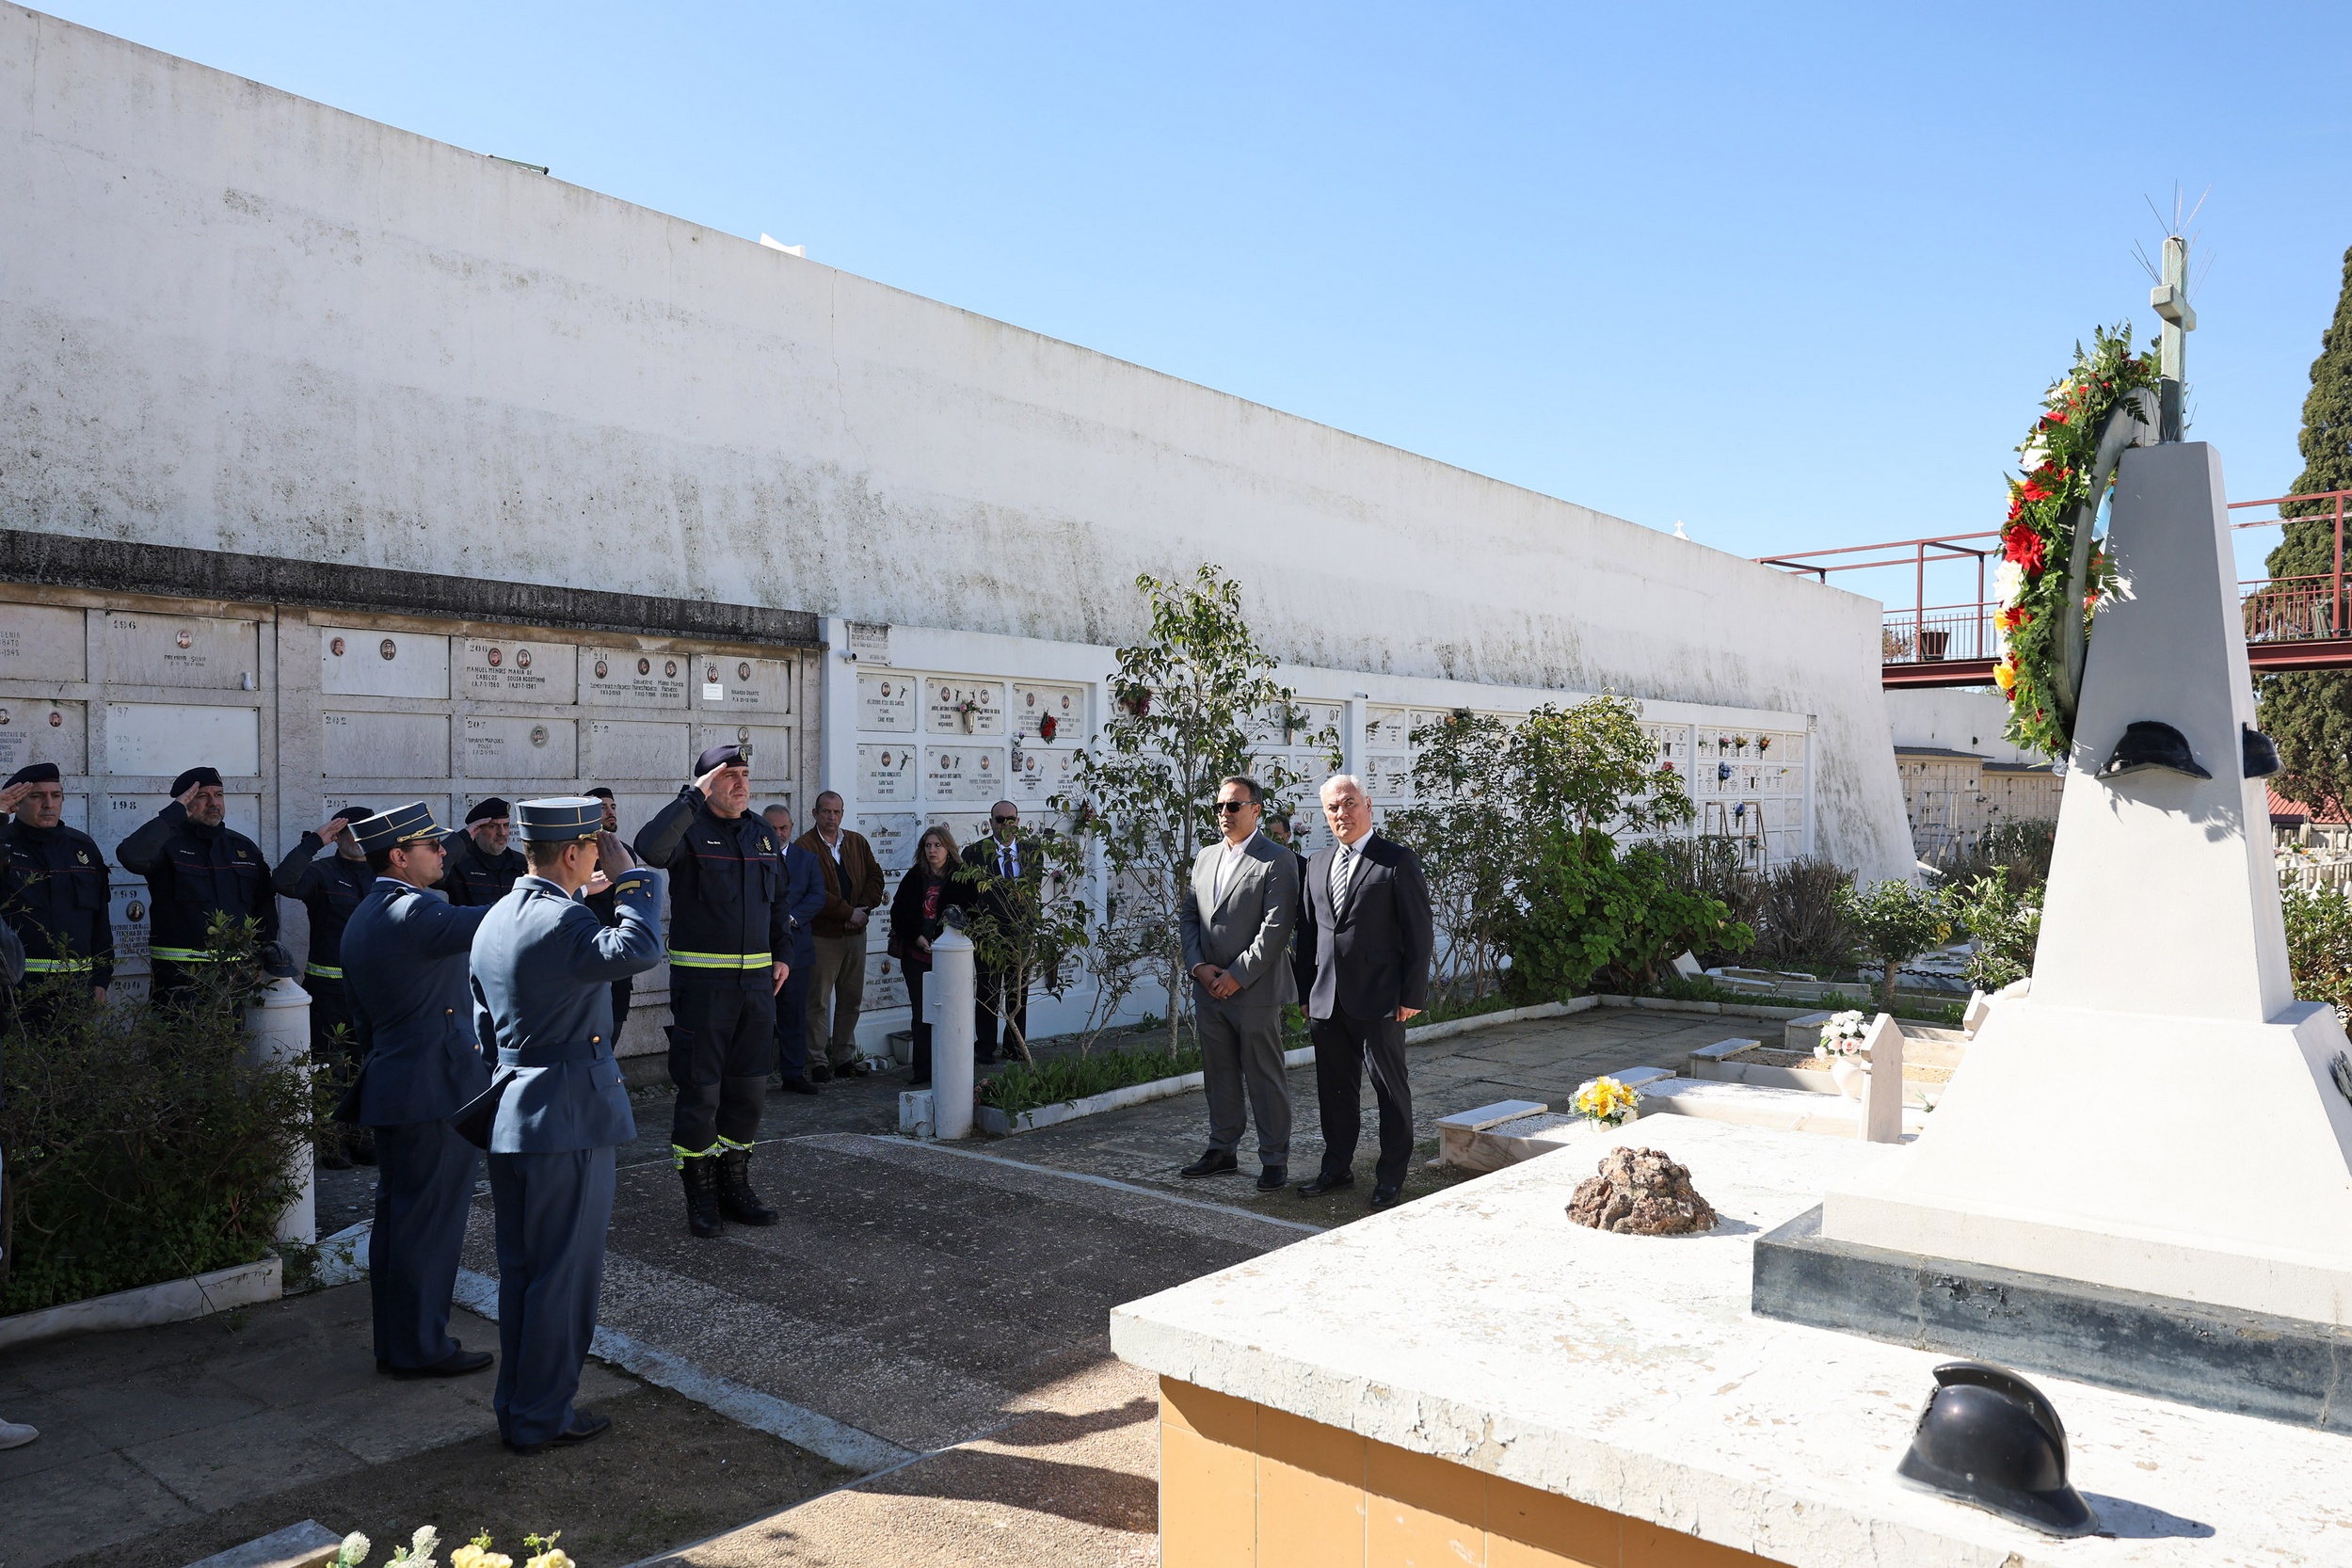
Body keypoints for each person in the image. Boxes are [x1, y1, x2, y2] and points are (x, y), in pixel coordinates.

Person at [457, 797, 664, 1454]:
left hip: (513, 1111)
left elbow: (485, 1028)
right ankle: (542, 1416)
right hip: (567, 1116)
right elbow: (640, 946)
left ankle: (520, 1407)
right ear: (575, 852)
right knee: (563, 1277)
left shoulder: (496, 917)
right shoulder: (565, 919)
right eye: (595, 845)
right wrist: (633, 879)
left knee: (524, 1272)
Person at [340, 802, 498, 1381]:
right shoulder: (411, 912)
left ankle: (401, 1343)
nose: (444, 855)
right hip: (433, 1090)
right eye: (433, 848)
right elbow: (494, 920)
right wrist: (558, 888)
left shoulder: (372, 909)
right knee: (428, 1226)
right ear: (400, 857)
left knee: (403, 1225)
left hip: (401, 1083)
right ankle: (421, 1348)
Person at [634, 744, 791, 1237]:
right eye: (729, 777)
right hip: (704, 991)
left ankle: (734, 1187)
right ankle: (700, 1198)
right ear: (706, 784)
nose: (742, 784)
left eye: (745, 774)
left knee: (748, 1095)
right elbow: (650, 849)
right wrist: (690, 800)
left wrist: (783, 952)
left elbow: (779, 902)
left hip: (757, 991)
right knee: (701, 1097)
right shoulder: (690, 829)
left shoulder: (762, 833)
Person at [1294, 775, 1433, 1210]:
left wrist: (1412, 994)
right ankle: (1337, 1168)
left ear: (1368, 805)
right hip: (1326, 999)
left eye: (1349, 803)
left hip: (1381, 999)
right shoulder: (1316, 864)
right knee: (1334, 1091)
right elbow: (1307, 934)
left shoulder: (1395, 861)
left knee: (1390, 1090)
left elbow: (1419, 932)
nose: (1342, 814)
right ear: (1325, 814)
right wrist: (1305, 993)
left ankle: (1391, 1176)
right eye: (1333, 808)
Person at [1176, 776, 1301, 1191]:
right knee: (1219, 1074)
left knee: (1264, 1075)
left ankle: (1273, 1158)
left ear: (1256, 810)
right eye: (1218, 807)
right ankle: (1222, 1150)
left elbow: (1276, 928)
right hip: (1209, 988)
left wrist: (1236, 975)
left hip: (1254, 990)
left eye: (1233, 806)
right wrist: (1198, 967)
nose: (1223, 814)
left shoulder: (1277, 859)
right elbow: (1190, 917)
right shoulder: (1206, 857)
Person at [116, 766, 277, 1009]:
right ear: (186, 802)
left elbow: (264, 906)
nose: (213, 803)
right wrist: (173, 813)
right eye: (202, 796)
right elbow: (131, 856)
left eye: (219, 795)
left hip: (235, 981)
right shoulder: (167, 843)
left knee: (231, 1045)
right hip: (179, 981)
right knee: (178, 1047)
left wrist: (261, 958)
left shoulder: (243, 848)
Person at [275, 806, 378, 1169]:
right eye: (351, 832)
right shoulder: (322, 872)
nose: (359, 840)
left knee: (368, 1069)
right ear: (338, 836)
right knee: (329, 1071)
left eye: (367, 832)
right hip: (329, 994)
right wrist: (314, 842)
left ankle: (363, 1138)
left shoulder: (386, 874)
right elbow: (284, 881)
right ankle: (332, 1144)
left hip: (374, 996)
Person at [0, 763, 112, 1025]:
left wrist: (101, 979)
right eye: (37, 796)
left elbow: (100, 920)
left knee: (74, 1065)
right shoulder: (2, 842)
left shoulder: (82, 848)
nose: (48, 804)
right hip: (13, 990)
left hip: (75, 991)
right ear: (18, 802)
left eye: (56, 795)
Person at [796, 791, 885, 1081]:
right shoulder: (804, 847)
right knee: (818, 1002)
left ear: (842, 814)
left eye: (836, 812)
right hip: (823, 936)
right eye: (825, 812)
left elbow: (876, 876)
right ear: (815, 813)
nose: (831, 817)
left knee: (851, 1000)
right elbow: (813, 892)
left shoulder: (857, 842)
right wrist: (847, 912)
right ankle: (816, 1062)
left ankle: (844, 1058)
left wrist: (863, 908)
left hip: (856, 934)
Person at [960, 800, 1041, 1064]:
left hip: (1021, 934)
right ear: (991, 821)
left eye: (1011, 819)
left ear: (1018, 821)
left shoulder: (1032, 850)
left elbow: (1032, 891)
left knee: (1018, 993)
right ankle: (984, 1048)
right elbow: (970, 894)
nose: (1005, 824)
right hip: (989, 936)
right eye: (999, 819)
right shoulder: (974, 853)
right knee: (988, 992)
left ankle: (1015, 1047)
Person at [891, 825, 972, 1086]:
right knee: (921, 1011)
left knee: (949, 1011)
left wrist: (943, 938)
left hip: (949, 955)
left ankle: (950, 1066)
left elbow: (971, 911)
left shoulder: (962, 876)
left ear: (948, 848)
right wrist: (916, 936)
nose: (932, 851)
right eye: (928, 846)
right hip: (917, 953)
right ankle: (922, 1070)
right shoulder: (915, 877)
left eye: (937, 845)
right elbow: (899, 911)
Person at [762, 803, 827, 1095]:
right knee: (757, 1017)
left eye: (783, 828)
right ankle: (752, 1076)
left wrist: (789, 918)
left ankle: (793, 1074)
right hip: (757, 949)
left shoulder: (807, 859)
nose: (778, 834)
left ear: (791, 827)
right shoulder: (750, 856)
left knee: (793, 1014)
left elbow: (817, 896)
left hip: (796, 948)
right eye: (772, 828)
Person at [582, 790, 638, 1045]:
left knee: (612, 1032)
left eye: (613, 806)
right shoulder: (575, 852)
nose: (611, 811)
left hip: (620, 960)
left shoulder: (624, 852)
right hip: (588, 957)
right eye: (603, 807)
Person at [437, 797, 527, 906]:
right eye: (493, 826)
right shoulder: (460, 864)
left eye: (506, 825)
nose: (502, 833)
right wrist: (464, 836)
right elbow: (427, 872)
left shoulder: (521, 864)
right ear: (477, 830)